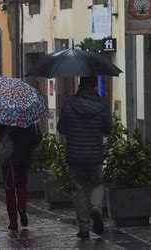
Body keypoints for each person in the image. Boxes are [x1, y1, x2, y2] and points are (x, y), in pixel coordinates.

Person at [57, 76, 112, 239]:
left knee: (78, 190)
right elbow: (108, 127)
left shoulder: (69, 104)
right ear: (95, 86)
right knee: (97, 184)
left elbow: (61, 128)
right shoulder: (101, 105)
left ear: (80, 86)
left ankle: (84, 228)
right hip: (95, 154)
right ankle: (95, 207)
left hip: (75, 156)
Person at [0, 123, 42, 231]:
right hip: (23, 158)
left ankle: (13, 221)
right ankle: (21, 207)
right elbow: (37, 138)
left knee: (9, 190)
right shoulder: (29, 119)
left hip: (8, 159)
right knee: (21, 186)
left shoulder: (5, 119)